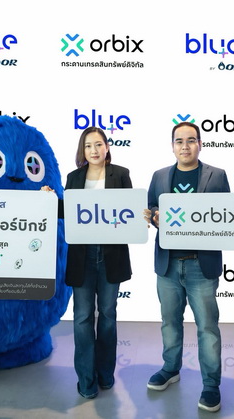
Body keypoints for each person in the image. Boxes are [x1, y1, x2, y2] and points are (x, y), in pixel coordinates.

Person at [144, 121, 230, 412]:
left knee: (207, 328)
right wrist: (153, 215)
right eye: (179, 141)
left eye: (191, 140)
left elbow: (226, 216)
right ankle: (170, 368)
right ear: (172, 146)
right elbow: (153, 208)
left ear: (200, 144)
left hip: (201, 265)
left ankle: (211, 385)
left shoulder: (217, 176)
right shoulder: (159, 176)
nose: (185, 146)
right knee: (169, 322)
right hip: (167, 265)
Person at [65, 126, 133, 399]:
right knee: (82, 317)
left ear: (107, 147)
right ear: (82, 150)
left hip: (110, 255)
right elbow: (68, 214)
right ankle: (86, 379)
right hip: (81, 256)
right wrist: (50, 200)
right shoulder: (73, 178)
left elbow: (128, 214)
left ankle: (105, 374)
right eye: (88, 145)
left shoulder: (121, 174)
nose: (93, 150)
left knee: (107, 316)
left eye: (98, 144)